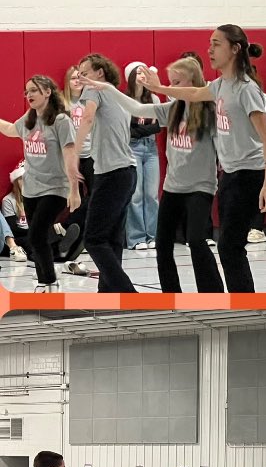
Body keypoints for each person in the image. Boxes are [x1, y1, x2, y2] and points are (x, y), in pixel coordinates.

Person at [138, 24, 266, 292]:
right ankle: (240, 304)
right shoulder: (221, 84)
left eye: (216, 44)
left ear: (235, 49)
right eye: (209, 43)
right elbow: (193, 93)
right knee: (228, 247)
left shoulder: (246, 90)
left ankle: (245, 306)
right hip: (230, 175)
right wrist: (161, 87)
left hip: (249, 174)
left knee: (229, 246)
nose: (209, 49)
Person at [81, 58, 225, 292]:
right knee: (163, 245)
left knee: (197, 240)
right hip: (173, 187)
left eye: (177, 82)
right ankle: (171, 294)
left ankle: (212, 293)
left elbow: (223, 147)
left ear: (192, 82)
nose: (172, 86)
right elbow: (136, 109)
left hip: (201, 186)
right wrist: (107, 88)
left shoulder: (209, 111)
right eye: (171, 82)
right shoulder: (173, 109)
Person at [0, 75, 80, 291]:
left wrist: (74, 189)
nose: (29, 95)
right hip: (31, 190)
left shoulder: (61, 121)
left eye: (34, 90)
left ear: (48, 92)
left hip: (55, 188)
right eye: (26, 91)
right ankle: (47, 281)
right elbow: (9, 130)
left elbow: (70, 153)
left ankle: (49, 279)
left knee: (35, 235)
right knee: (39, 237)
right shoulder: (28, 120)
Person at [74, 53, 138, 292]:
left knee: (93, 238)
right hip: (128, 172)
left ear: (99, 72)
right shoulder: (118, 95)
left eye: (85, 72)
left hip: (111, 172)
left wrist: (73, 153)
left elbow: (88, 118)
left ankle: (128, 294)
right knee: (112, 239)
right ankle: (108, 295)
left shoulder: (94, 89)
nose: (81, 77)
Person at [124, 61, 161, 251]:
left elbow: (158, 125)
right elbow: (128, 130)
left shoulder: (153, 99)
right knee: (135, 194)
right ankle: (136, 237)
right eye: (138, 73)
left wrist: (141, 129)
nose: (142, 75)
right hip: (132, 148)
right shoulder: (125, 99)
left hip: (151, 148)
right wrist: (141, 130)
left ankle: (153, 235)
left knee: (151, 194)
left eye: (144, 72)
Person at [62, 64, 93, 236]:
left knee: (95, 194)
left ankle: (70, 226)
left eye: (80, 77)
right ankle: (76, 236)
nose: (77, 81)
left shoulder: (90, 100)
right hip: (71, 156)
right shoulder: (62, 103)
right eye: (73, 78)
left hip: (90, 153)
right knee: (76, 196)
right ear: (68, 81)